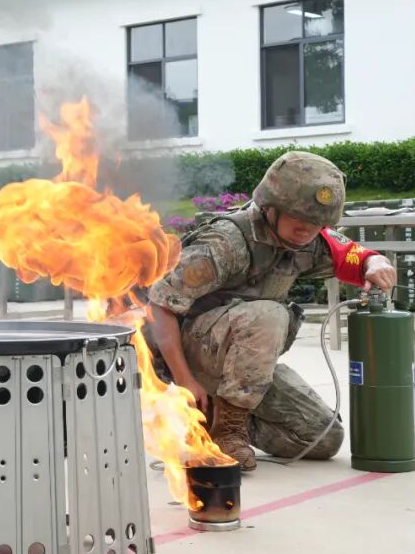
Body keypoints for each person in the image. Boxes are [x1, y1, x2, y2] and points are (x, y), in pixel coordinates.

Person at [146, 151, 397, 471]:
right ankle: (228, 433)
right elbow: (160, 305)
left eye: (317, 224)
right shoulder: (226, 242)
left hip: (241, 365)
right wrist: (184, 380)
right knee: (269, 315)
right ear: (270, 208)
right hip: (195, 352)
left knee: (321, 437)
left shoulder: (308, 239)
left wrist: (375, 263)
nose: (308, 231)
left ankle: (211, 420)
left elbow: (352, 256)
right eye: (300, 220)